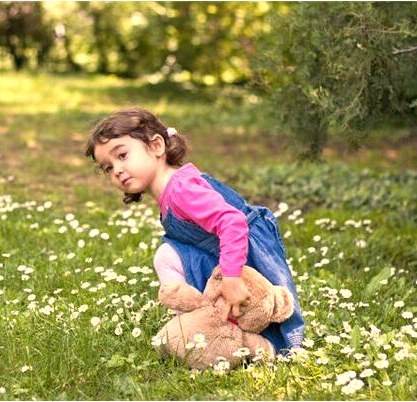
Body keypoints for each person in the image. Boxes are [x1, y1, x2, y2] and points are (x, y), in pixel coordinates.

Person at [84, 107, 304, 354]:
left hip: (245, 254)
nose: (117, 170)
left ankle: (274, 345)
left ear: (157, 146)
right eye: (108, 168)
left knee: (269, 315)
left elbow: (232, 221)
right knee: (168, 254)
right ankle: (197, 324)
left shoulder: (181, 190)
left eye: (122, 155)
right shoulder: (169, 194)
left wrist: (232, 278)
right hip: (220, 253)